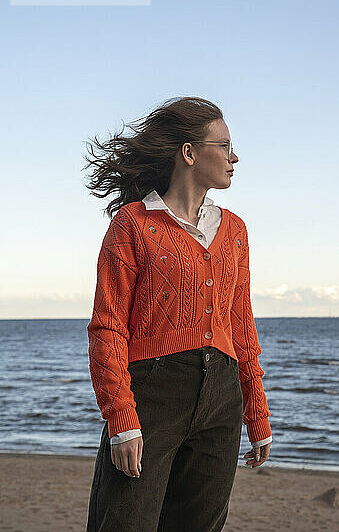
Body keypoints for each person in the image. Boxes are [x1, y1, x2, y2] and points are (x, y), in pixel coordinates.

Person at [83, 96, 272, 532]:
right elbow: (108, 326)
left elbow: (241, 324)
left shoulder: (235, 230)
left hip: (222, 399)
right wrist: (122, 421)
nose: (234, 156)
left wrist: (256, 413)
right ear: (189, 152)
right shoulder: (132, 224)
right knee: (125, 522)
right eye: (224, 145)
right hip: (152, 395)